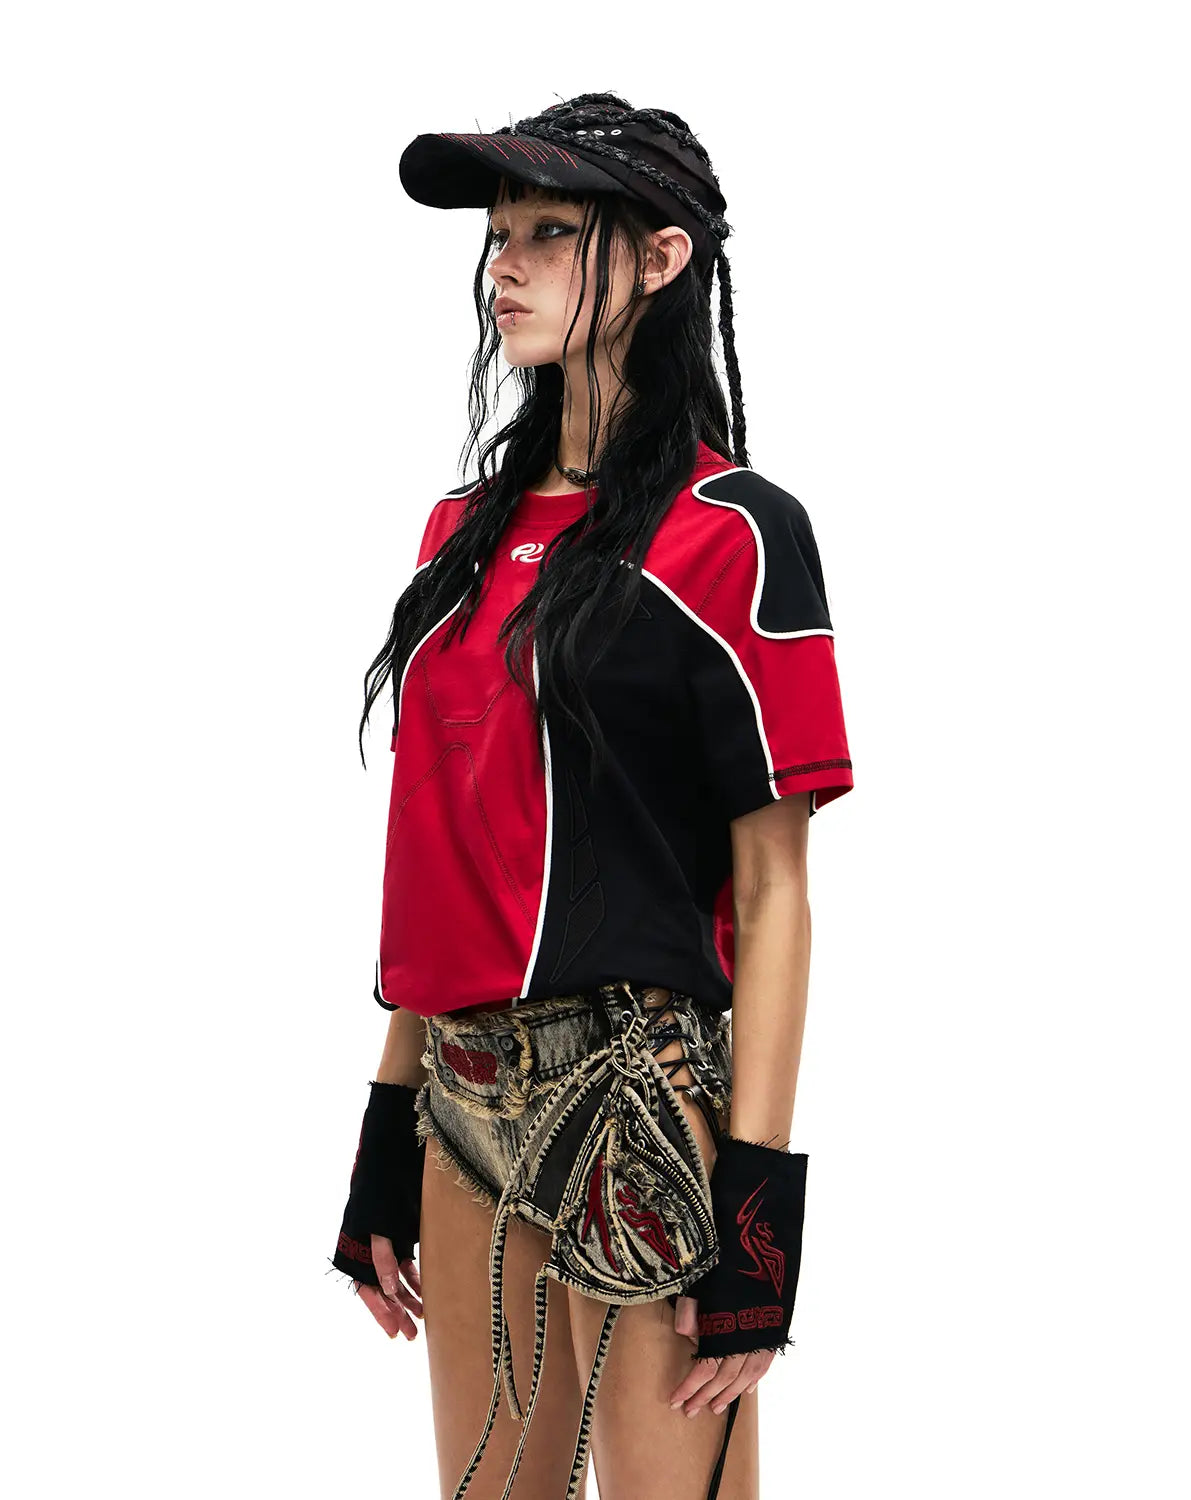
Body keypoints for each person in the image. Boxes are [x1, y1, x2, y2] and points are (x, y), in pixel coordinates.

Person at [328, 91, 855, 1500]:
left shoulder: (735, 535)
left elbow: (776, 889)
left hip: (640, 1106)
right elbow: (446, 852)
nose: (504, 265)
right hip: (459, 1099)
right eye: (499, 234)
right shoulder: (458, 537)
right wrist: (384, 1131)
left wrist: (760, 1209)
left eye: (551, 232)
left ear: (663, 259)